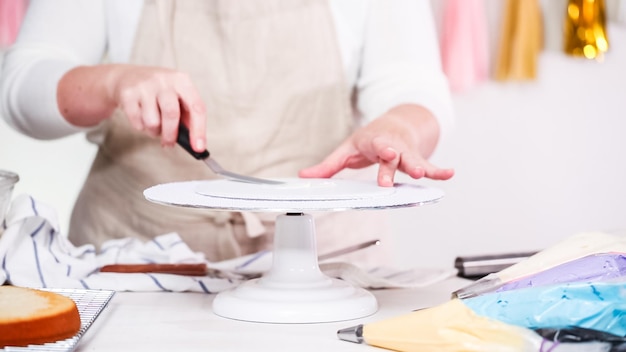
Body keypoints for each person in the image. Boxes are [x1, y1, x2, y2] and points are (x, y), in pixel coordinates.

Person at [0, 0, 454, 265]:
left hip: (329, 258)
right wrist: (112, 82)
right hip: (134, 255)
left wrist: (398, 127)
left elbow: (412, 85)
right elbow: (20, 84)